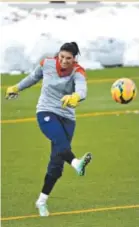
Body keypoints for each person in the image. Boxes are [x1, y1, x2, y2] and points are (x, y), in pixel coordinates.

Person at [5, 42, 92, 217]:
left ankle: (41, 201)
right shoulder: (47, 64)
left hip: (67, 118)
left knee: (56, 164)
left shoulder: (78, 71)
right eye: (62, 57)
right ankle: (77, 164)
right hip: (46, 111)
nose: (64, 61)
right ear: (57, 55)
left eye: (69, 58)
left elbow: (82, 90)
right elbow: (32, 77)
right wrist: (16, 87)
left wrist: (75, 96)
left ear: (74, 59)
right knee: (60, 142)